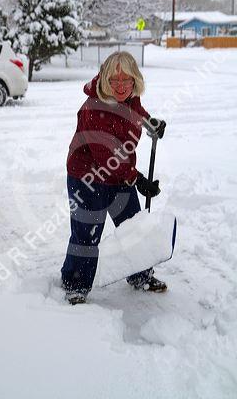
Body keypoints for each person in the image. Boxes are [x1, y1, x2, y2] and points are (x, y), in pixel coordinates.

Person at [61, 51, 167, 305]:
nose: (120, 86)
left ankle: (140, 275)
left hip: (120, 175)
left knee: (133, 227)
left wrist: (151, 123)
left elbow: (137, 110)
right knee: (87, 234)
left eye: (126, 80)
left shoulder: (131, 98)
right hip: (88, 178)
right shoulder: (93, 109)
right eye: (114, 81)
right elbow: (106, 158)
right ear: (104, 80)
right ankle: (74, 283)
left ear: (134, 81)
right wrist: (138, 180)